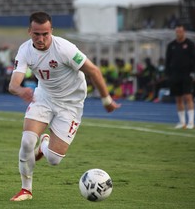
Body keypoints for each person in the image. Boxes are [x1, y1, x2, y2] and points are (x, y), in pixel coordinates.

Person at [8, 11, 120, 201]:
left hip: (71, 104)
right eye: (36, 34)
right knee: (27, 141)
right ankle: (26, 190)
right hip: (43, 97)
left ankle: (44, 146)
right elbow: (13, 84)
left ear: (51, 30)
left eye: (45, 34)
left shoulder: (64, 49)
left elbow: (93, 70)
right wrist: (21, 91)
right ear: (29, 32)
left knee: (54, 160)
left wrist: (106, 100)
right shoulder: (25, 50)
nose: (41, 38)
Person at [165, 23, 195, 129]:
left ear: (184, 32)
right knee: (178, 98)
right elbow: (168, 61)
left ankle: (191, 122)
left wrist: (193, 73)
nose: (178, 33)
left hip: (187, 74)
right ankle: (182, 122)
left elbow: (194, 60)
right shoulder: (171, 45)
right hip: (174, 75)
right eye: (177, 31)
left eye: (180, 31)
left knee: (188, 96)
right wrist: (168, 74)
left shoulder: (190, 44)